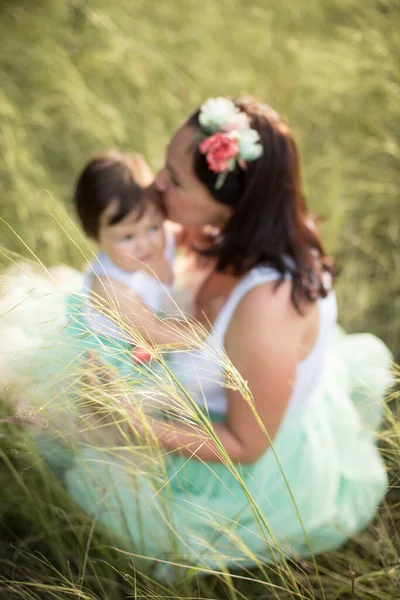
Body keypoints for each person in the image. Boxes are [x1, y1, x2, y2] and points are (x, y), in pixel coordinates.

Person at [61, 97, 392, 578]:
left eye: (175, 180)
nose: (154, 183)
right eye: (164, 166)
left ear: (230, 201)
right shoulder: (211, 229)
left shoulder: (267, 308)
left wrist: (134, 423)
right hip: (207, 387)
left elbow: (246, 443)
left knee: (90, 461)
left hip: (246, 453)